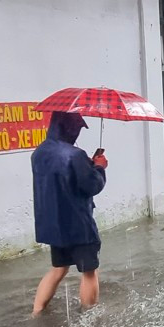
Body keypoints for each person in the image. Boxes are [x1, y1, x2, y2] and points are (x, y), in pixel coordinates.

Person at [31, 111, 108, 314]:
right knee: (89, 272)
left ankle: (36, 312)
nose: (77, 134)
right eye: (77, 129)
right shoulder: (75, 155)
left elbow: (62, 179)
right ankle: (90, 316)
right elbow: (91, 186)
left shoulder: (39, 153)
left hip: (54, 226)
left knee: (59, 269)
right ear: (69, 128)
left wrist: (88, 164)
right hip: (78, 225)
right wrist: (99, 168)